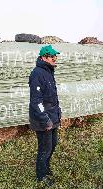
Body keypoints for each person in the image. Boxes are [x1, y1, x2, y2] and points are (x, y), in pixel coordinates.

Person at [28, 45, 62, 186]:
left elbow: (52, 97)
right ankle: (41, 176)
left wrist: (58, 114)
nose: (55, 58)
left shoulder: (49, 72)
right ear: (44, 58)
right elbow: (36, 101)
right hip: (43, 119)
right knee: (45, 148)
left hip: (52, 116)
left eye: (55, 56)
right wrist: (45, 119)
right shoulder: (37, 73)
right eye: (52, 56)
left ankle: (46, 168)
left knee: (53, 145)